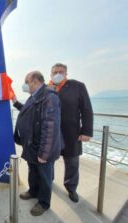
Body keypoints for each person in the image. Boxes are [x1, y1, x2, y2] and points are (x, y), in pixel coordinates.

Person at [13, 71, 62, 216]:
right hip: (31, 144)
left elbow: (50, 127)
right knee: (33, 171)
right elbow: (27, 112)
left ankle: (43, 202)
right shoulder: (33, 97)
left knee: (44, 176)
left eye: (27, 81)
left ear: (35, 81)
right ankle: (33, 191)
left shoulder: (49, 97)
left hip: (42, 148)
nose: (25, 85)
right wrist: (15, 102)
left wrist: (44, 153)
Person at [48, 63, 93, 203]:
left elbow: (86, 110)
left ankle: (71, 188)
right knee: (48, 160)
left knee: (72, 162)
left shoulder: (78, 86)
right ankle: (49, 180)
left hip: (71, 132)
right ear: (50, 75)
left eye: (61, 72)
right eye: (55, 72)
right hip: (51, 132)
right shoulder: (46, 88)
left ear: (66, 73)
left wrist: (86, 131)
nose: (58, 74)